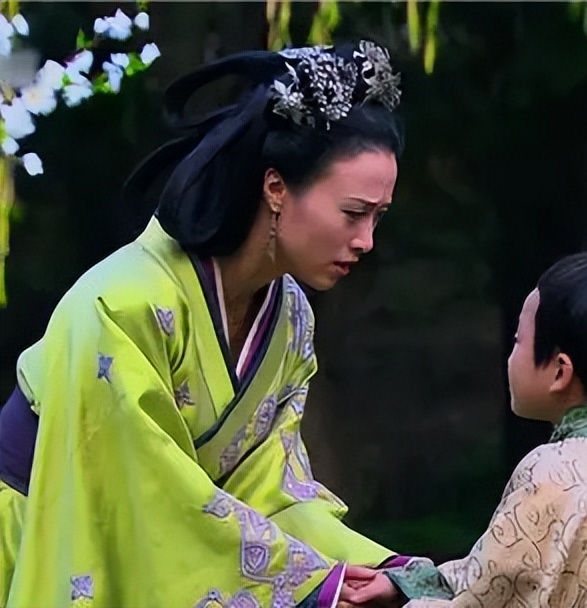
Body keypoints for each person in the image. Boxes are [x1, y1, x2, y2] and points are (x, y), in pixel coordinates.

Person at [0, 41, 414, 608]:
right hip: (39, 527)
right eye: (353, 213)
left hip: (171, 540)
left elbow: (269, 489)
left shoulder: (290, 318)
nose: (366, 240)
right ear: (275, 187)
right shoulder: (121, 304)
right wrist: (311, 583)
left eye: (378, 217)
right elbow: (148, 494)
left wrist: (377, 570)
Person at [341, 199, 587, 607]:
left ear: (560, 371)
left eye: (518, 341)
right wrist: (407, 583)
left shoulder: (552, 473)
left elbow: (490, 597)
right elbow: (498, 576)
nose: (510, 357)